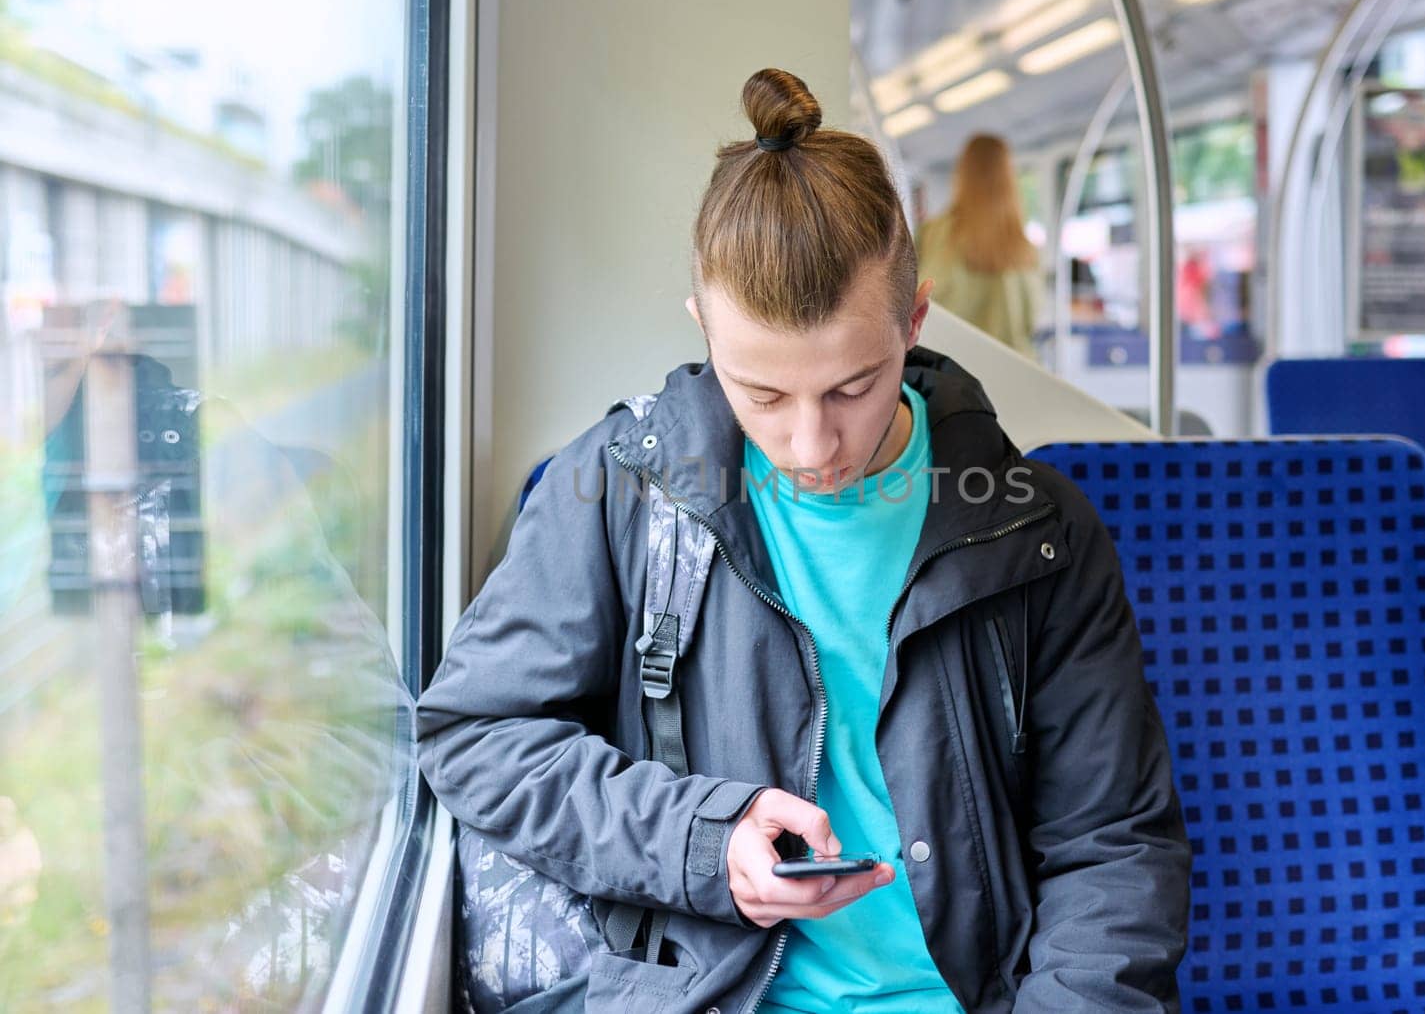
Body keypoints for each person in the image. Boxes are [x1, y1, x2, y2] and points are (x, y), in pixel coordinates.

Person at [416, 68, 1190, 1013]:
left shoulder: (1039, 530)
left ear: (914, 323)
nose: (811, 444)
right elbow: (474, 734)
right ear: (704, 330)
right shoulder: (620, 490)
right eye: (764, 395)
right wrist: (704, 839)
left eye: (853, 386)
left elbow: (1111, 844)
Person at [915, 134, 1046, 357]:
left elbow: (922, 301)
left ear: (962, 175)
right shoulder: (1025, 248)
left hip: (953, 369)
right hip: (1017, 372)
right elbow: (1033, 319)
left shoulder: (936, 233)